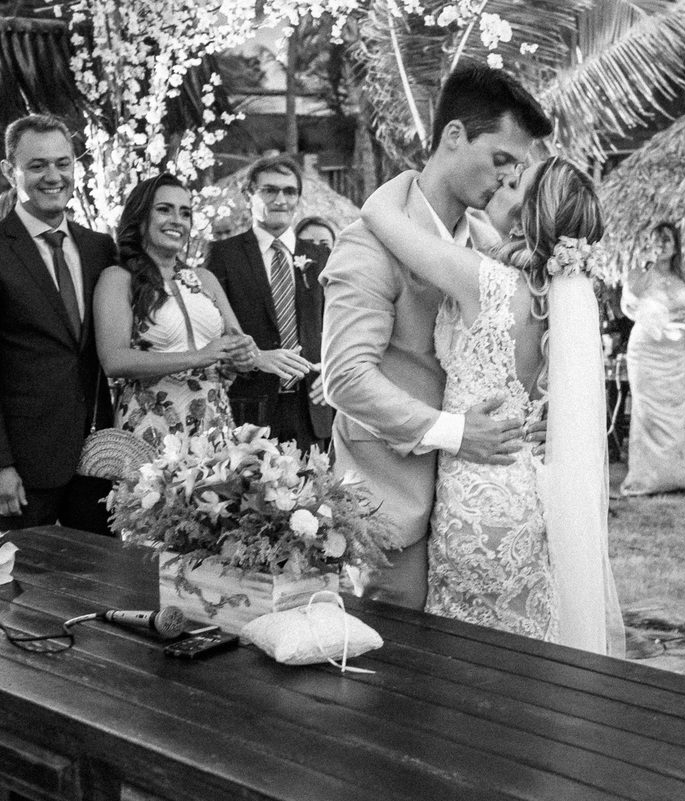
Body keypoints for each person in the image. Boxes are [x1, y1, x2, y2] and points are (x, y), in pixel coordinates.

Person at [360, 155, 625, 655]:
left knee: (464, 656)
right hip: (527, 495)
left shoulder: (481, 279)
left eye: (516, 183)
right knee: (523, 654)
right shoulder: (565, 297)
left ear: (529, 213)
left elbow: (377, 211)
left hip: (475, 504)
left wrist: (435, 162)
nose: (505, 180)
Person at [320, 64, 550, 611]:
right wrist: (454, 432)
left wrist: (543, 417)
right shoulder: (367, 246)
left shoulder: (491, 246)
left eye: (516, 167)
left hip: (481, 513)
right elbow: (346, 378)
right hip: (395, 506)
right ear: (453, 136)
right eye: (500, 159)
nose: (505, 179)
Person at [0, 113, 120, 534]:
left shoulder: (99, 249)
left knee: (98, 583)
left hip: (98, 460)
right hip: (21, 470)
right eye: (37, 165)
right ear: (10, 171)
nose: (53, 176)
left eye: (62, 163)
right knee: (21, 588)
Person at [95, 174, 255, 450]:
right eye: (164, 209)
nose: (177, 220)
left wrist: (245, 356)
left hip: (213, 424)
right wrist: (200, 356)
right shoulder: (119, 278)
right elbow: (114, 360)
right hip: (152, 425)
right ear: (140, 218)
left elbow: (236, 350)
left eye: (185, 213)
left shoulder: (205, 280)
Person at [206, 155, 334, 452]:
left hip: (313, 408)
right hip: (249, 408)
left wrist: (332, 376)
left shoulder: (321, 258)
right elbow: (211, 329)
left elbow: (340, 327)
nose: (281, 199)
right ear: (249, 194)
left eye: (289, 192)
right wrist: (252, 356)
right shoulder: (223, 256)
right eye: (270, 190)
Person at [619, 221, 685, 496]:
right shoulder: (638, 274)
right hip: (646, 350)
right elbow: (629, 306)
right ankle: (647, 477)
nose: (661, 246)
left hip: (676, 352)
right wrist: (646, 270)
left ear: (676, 244)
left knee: (676, 411)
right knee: (646, 412)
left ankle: (680, 474)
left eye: (666, 240)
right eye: (656, 241)